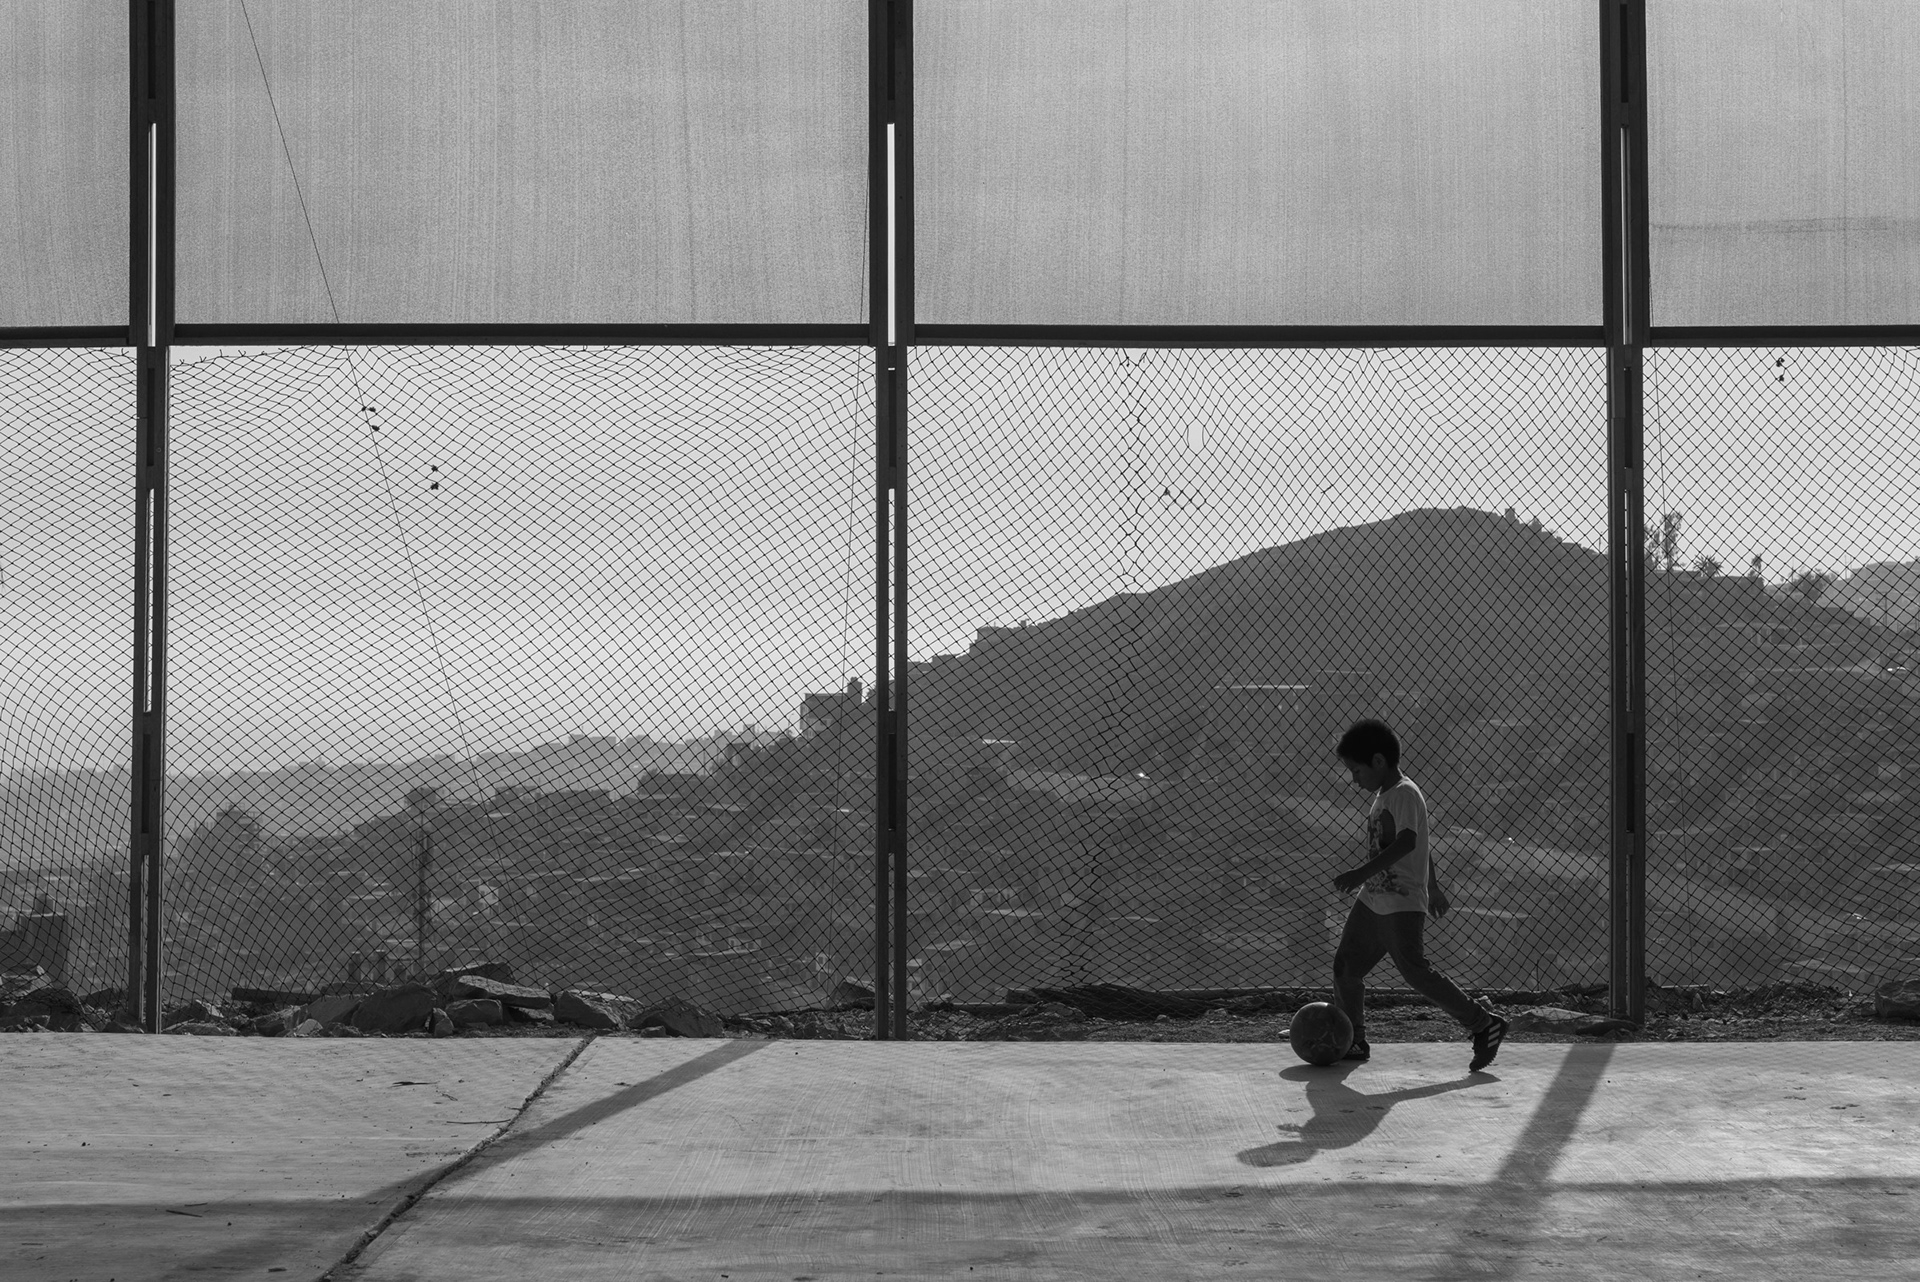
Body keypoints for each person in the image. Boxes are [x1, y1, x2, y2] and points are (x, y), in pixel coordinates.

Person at [1329, 719, 1508, 1071]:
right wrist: (1434, 886)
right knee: (1346, 967)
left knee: (1414, 971)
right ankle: (1353, 1040)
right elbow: (1421, 843)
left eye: (1356, 770)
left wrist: (1360, 873)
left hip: (1399, 902)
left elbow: (1408, 841)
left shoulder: (1404, 793)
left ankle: (1483, 1023)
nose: (1354, 780)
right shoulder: (1385, 796)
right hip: (1373, 898)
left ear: (1378, 761)